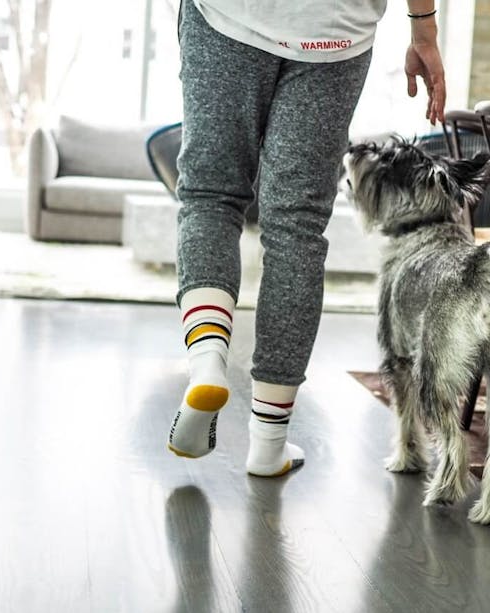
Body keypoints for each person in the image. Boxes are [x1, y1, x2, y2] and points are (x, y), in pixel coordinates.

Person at [167, 0, 447, 477]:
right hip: (334, 30)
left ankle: (209, 360)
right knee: (296, 227)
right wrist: (423, 29)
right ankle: (268, 444)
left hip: (228, 15)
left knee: (212, 195)